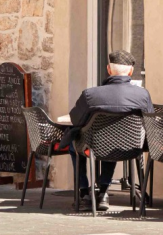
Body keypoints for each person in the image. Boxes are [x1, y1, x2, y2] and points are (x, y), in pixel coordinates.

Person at [61, 50, 153, 211]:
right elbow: (150, 121)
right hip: (130, 148)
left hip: (94, 147)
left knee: (73, 142)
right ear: (130, 71)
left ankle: (84, 192)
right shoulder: (142, 95)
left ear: (108, 70)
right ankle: (103, 191)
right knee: (114, 141)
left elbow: (75, 119)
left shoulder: (91, 94)